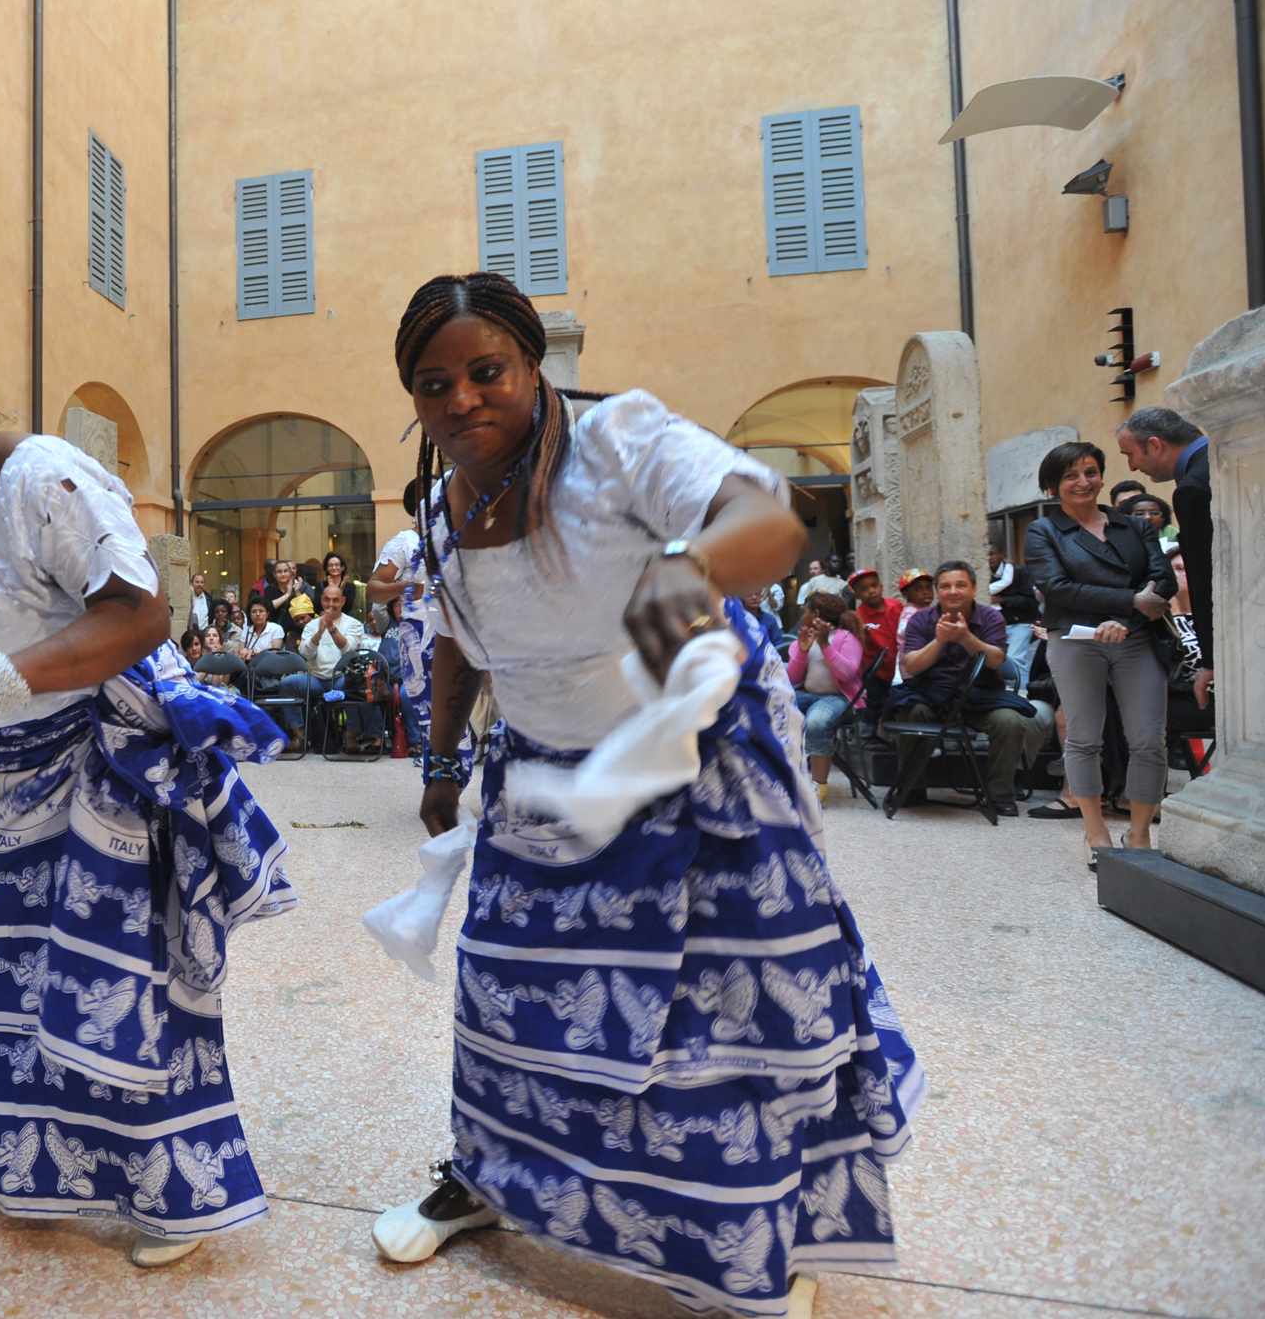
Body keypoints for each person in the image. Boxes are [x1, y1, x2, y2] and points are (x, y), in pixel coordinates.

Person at [368, 273, 919, 1311]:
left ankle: (758, 1238)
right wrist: (441, 761)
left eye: (486, 372)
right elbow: (453, 643)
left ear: (529, 365)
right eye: (432, 384)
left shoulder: (616, 439)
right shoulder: (441, 506)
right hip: (538, 786)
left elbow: (768, 516)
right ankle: (486, 1179)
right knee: (507, 1007)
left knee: (716, 1026)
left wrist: (687, 567)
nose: (462, 400)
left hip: (691, 776)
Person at [0, 327, 294, 1268]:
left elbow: (136, 613)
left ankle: (177, 1190)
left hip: (99, 758)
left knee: (111, 975)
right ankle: (15, 1148)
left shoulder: (47, 479)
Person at [1025, 440, 1177, 867]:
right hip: (1075, 643)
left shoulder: (1135, 526)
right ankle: (1096, 833)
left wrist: (1126, 621)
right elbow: (1057, 589)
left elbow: (1162, 581)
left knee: (1149, 740)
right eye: (1071, 475)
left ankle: (1141, 834)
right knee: (1084, 738)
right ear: (1053, 485)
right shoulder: (1044, 531)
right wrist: (1129, 601)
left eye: (1090, 472)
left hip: (1136, 639)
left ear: (1102, 477)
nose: (1083, 482)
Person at [883, 561, 1048, 816]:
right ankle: (912, 788)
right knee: (910, 711)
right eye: (946, 586)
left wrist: (965, 637)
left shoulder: (992, 616)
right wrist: (940, 641)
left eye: (961, 585)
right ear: (938, 591)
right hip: (931, 694)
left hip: (982, 695)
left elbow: (996, 661)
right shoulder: (920, 619)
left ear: (973, 589)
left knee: (1010, 721)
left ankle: (1000, 794)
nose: (953, 591)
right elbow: (912, 666)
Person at [1117, 407, 1212, 710]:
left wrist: (1211, 659)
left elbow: (1204, 577)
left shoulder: (1193, 487)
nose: (1132, 467)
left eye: (1130, 454)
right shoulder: (1220, 458)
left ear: (1155, 445)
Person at [370, 480, 438, 756]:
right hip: (418, 634)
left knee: (451, 710)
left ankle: (449, 778)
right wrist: (404, 587)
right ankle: (436, 779)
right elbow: (374, 590)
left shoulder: (452, 537)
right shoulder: (405, 543)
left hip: (450, 629)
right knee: (429, 712)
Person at [787, 590, 862, 802]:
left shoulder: (846, 638)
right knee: (771, 705)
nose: (802, 617)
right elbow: (790, 679)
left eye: (804, 611)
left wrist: (825, 645)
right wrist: (802, 651)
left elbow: (847, 674)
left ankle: (818, 786)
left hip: (838, 699)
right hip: (808, 695)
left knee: (817, 722)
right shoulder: (805, 637)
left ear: (816, 613)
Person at [271, 582, 365, 746]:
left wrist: (331, 629)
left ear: (343, 601)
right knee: (286, 684)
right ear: (321, 600)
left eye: (335, 600)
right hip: (315, 678)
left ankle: (350, 735)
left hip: (341, 678)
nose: (331, 604)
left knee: (355, 684)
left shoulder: (353, 624)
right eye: (327, 600)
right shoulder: (311, 625)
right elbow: (305, 653)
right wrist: (319, 632)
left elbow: (349, 652)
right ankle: (300, 735)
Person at [984, 544, 1040, 692]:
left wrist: (1003, 600)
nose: (989, 558)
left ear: (1001, 554)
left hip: (1021, 622)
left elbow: (1032, 601)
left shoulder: (1018, 571)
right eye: (985, 554)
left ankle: (1024, 695)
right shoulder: (982, 573)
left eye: (993, 553)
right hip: (998, 625)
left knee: (1015, 658)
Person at [317, 552, 366, 621]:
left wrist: (340, 590)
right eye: (330, 565)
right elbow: (317, 606)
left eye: (337, 565)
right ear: (326, 568)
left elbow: (348, 607)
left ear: (342, 567)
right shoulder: (320, 585)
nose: (334, 568)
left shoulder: (350, 586)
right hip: (324, 620)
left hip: (343, 621)